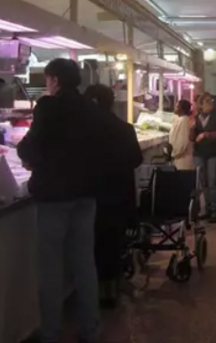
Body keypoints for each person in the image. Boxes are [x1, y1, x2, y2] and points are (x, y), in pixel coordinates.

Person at [17, 59, 108, 343]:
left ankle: (51, 333)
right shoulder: (92, 109)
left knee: (51, 266)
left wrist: (30, 158)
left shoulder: (48, 106)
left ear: (54, 80)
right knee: (84, 262)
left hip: (55, 194)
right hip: (86, 193)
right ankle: (91, 328)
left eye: (47, 79)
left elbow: (31, 144)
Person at [84, 84, 143, 309]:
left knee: (94, 244)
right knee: (113, 242)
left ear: (94, 102)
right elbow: (136, 159)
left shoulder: (85, 131)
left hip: (92, 193)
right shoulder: (125, 128)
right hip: (119, 193)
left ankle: (96, 291)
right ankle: (111, 290)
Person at [191, 94, 216, 223]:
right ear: (200, 105)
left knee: (213, 182)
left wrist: (207, 134)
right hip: (200, 153)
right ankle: (207, 209)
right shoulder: (196, 118)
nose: (208, 104)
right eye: (205, 102)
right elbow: (192, 138)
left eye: (209, 101)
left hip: (215, 153)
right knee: (203, 182)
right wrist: (192, 129)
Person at [169, 99, 195, 170]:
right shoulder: (180, 119)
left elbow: (183, 141)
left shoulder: (184, 121)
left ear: (182, 109)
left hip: (183, 158)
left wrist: (174, 153)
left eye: (177, 106)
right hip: (179, 158)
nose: (175, 108)